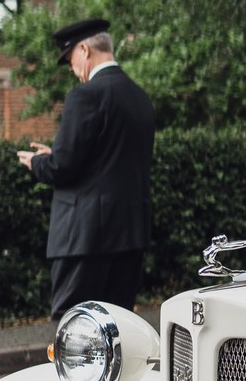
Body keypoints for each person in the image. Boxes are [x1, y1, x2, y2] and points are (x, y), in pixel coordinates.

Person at [19, 20, 156, 323]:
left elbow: (62, 167)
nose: (72, 69)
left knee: (74, 327)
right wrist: (58, 156)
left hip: (85, 238)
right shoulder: (139, 97)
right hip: (130, 234)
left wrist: (38, 162)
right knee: (117, 327)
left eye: (71, 60)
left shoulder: (85, 95)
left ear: (84, 50)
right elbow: (110, 160)